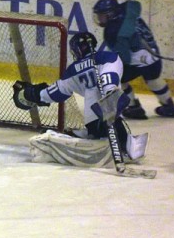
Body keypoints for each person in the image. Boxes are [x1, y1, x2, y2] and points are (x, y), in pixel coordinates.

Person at [12, 32, 147, 167]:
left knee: (94, 97)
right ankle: (116, 141)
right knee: (109, 99)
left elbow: (53, 93)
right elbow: (110, 80)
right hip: (114, 119)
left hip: (95, 122)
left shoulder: (72, 70)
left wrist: (29, 94)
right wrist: (110, 97)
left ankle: (92, 134)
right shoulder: (111, 57)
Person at [93, 0, 174, 119]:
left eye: (101, 15)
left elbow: (124, 59)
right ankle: (170, 106)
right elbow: (134, 3)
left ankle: (133, 107)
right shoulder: (128, 10)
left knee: (118, 77)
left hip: (137, 63)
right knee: (153, 80)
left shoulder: (113, 31)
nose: (99, 19)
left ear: (110, 14)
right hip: (154, 57)